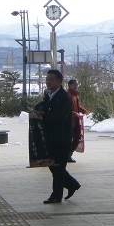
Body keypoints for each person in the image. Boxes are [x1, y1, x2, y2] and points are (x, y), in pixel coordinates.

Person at [33, 69, 81, 204]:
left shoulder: (65, 97)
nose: (48, 82)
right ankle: (72, 184)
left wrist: (43, 115)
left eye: (51, 79)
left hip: (62, 138)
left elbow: (58, 117)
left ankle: (56, 195)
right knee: (54, 167)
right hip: (50, 138)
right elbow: (45, 107)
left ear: (59, 81)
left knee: (58, 167)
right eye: (47, 79)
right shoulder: (48, 95)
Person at [67, 79, 88, 163]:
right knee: (69, 139)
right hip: (69, 121)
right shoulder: (67, 95)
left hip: (75, 120)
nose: (76, 86)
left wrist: (85, 111)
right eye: (75, 84)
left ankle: (69, 154)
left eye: (76, 84)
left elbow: (78, 107)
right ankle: (67, 155)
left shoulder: (75, 96)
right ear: (70, 85)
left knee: (78, 137)